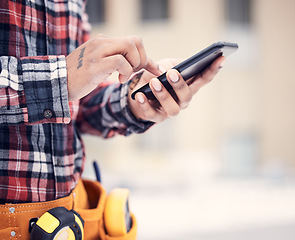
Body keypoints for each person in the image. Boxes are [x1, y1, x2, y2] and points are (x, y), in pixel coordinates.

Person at [0, 0, 225, 239]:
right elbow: (67, 79)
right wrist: (61, 78)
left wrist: (135, 100)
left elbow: (75, 104)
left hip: (72, 223)